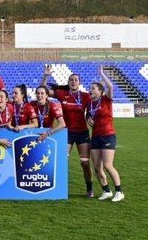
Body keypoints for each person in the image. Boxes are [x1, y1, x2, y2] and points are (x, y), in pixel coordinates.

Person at [41, 65, 94, 197]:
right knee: (62, 161)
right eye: (71, 80)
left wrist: (89, 118)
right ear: (68, 82)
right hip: (66, 133)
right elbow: (44, 90)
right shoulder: (62, 94)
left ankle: (90, 188)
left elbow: (90, 112)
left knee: (85, 162)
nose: (73, 81)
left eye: (76, 80)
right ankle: (59, 188)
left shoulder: (86, 96)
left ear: (79, 82)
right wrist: (46, 76)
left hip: (82, 132)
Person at [88, 66, 124, 202]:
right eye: (90, 88)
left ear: (100, 91)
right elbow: (88, 115)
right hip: (96, 136)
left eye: (93, 88)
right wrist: (88, 119)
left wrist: (101, 74)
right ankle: (106, 190)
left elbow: (111, 87)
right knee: (97, 167)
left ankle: (119, 192)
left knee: (108, 165)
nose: (90, 90)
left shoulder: (106, 99)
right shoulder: (90, 103)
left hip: (108, 134)